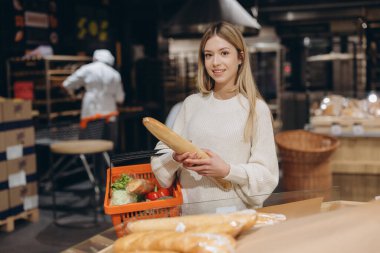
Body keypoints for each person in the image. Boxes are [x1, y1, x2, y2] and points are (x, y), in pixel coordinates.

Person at [151, 22, 279, 215]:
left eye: (224, 53)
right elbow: (159, 158)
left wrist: (227, 170)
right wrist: (175, 157)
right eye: (208, 55)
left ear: (240, 57)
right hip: (191, 217)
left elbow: (267, 176)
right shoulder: (191, 104)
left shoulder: (256, 109)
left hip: (237, 217)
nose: (215, 62)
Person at [63, 49, 125, 149]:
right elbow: (120, 98)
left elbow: (67, 84)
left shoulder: (87, 69)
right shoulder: (115, 74)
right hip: (110, 115)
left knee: (91, 147)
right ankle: (108, 164)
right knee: (109, 147)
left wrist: (74, 96)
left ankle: (91, 164)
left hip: (92, 113)